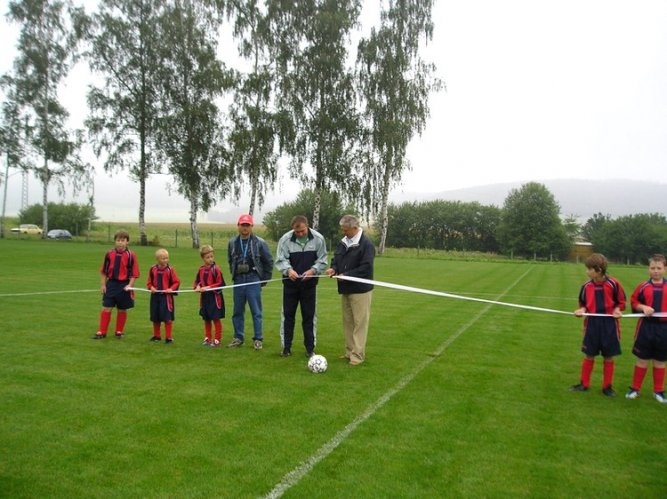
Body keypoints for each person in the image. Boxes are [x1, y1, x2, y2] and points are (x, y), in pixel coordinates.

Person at [570, 253, 626, 396]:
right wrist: (581, 310)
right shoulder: (586, 286)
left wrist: (617, 310)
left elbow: (621, 302)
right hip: (592, 323)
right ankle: (584, 384)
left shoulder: (613, 284)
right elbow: (583, 304)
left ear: (598, 270)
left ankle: (607, 387)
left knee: (608, 356)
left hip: (609, 324)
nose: (586, 272)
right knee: (589, 354)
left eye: (589, 269)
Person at [325, 214, 375, 366]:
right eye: (342, 229)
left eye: (345, 229)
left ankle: (357, 356)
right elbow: (336, 259)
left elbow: (366, 267)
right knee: (348, 322)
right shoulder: (343, 242)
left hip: (360, 290)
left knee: (360, 323)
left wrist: (347, 275)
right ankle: (349, 352)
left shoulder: (366, 244)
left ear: (354, 228)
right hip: (345, 288)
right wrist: (333, 269)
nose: (343, 232)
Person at [275, 215, 328, 357]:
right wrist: (288, 270)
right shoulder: (285, 239)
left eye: (302, 231)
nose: (299, 234)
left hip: (309, 286)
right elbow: (280, 259)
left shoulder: (318, 239)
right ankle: (286, 348)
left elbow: (323, 259)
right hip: (290, 285)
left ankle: (310, 349)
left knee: (309, 317)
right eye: (296, 231)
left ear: (307, 226)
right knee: (288, 316)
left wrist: (313, 271)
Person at [227, 214, 274, 350]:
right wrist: (234, 273)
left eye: (247, 225)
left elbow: (269, 261)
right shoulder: (232, 242)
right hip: (239, 279)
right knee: (237, 311)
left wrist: (264, 279)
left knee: (256, 310)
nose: (245, 228)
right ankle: (238, 337)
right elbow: (230, 260)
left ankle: (258, 339)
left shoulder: (260, 242)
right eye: (243, 225)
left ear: (252, 226)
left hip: (253, 278)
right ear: (238, 226)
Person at [625, 254, 667, 404]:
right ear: (648, 269)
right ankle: (635, 389)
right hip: (646, 327)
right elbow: (634, 302)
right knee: (642, 359)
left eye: (659, 268)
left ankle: (658, 391)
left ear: (665, 269)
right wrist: (643, 307)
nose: (655, 271)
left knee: (660, 361)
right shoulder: (643, 286)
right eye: (652, 268)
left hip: (664, 329)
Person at [92, 229, 140, 339]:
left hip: (124, 285)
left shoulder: (131, 255)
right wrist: (103, 285)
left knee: (122, 309)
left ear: (127, 242)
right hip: (111, 284)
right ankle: (102, 332)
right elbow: (104, 271)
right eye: (118, 240)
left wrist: (130, 285)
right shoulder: (109, 254)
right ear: (115, 241)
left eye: (123, 240)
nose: (120, 243)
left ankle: (119, 331)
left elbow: (134, 273)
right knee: (106, 307)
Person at [147, 248, 181, 344]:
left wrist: (171, 289)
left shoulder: (170, 270)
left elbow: (176, 282)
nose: (165, 260)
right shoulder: (153, 269)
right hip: (155, 297)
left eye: (167, 258)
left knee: (167, 317)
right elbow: (149, 282)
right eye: (163, 258)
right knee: (155, 317)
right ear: (157, 259)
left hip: (166, 298)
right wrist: (151, 287)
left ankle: (168, 337)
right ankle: (157, 336)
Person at [194, 244, 225, 347]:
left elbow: (221, 283)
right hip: (205, 299)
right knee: (206, 318)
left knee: (216, 318)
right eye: (207, 257)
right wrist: (197, 287)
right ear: (203, 258)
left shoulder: (216, 269)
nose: (210, 259)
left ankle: (217, 339)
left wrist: (208, 287)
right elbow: (197, 281)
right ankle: (207, 338)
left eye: (212, 256)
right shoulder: (201, 269)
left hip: (215, 298)